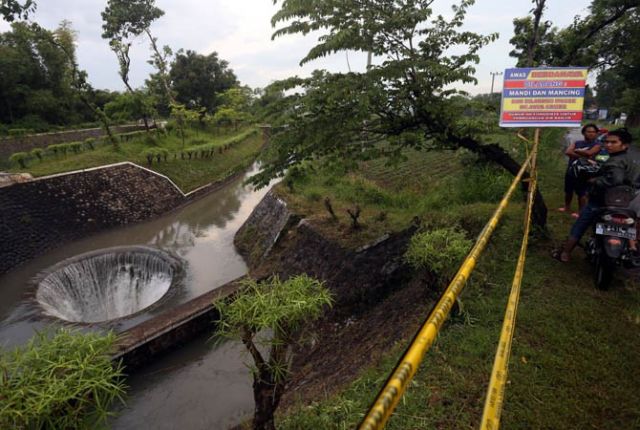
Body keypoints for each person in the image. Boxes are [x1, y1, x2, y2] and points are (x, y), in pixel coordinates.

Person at [556, 128, 640, 262]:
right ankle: (632, 248)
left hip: (603, 200)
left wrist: (595, 180)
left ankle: (565, 252)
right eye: (607, 142)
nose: (608, 145)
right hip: (627, 201)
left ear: (625, 145)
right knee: (629, 225)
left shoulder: (615, 160)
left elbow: (614, 180)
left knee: (581, 223)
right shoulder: (634, 160)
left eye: (613, 142)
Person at [559, 124, 601, 217]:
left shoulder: (597, 144)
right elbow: (568, 152)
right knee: (568, 190)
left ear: (596, 133)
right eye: (588, 131)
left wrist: (578, 151)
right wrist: (584, 156)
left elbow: (590, 153)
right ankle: (567, 207)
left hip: (585, 172)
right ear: (583, 133)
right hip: (571, 169)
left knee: (582, 192)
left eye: (593, 132)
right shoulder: (577, 142)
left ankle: (580, 211)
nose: (591, 134)